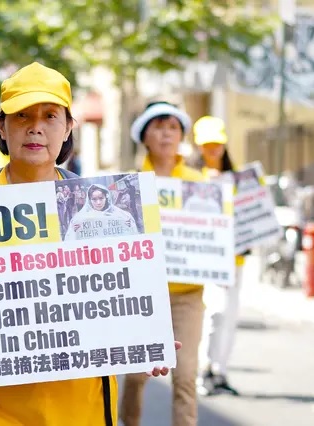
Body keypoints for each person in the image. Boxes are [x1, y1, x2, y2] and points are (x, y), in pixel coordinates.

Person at [0, 62, 181, 426]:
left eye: (50, 115)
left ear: (68, 127)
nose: (35, 127)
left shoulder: (103, 206)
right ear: (1, 126)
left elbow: (120, 297)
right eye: (21, 116)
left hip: (81, 404)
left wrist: (144, 340)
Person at [121, 101, 205, 426]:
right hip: (142, 297)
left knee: (185, 376)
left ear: (182, 134)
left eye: (173, 126)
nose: (166, 133)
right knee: (135, 376)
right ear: (144, 136)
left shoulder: (200, 183)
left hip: (188, 296)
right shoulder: (128, 184)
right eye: (158, 126)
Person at [189, 115, 246, 397]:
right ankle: (204, 370)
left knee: (230, 315)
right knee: (214, 313)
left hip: (236, 259)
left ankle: (220, 370)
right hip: (208, 260)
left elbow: (249, 215)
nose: (213, 150)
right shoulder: (191, 178)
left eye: (217, 145)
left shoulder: (238, 180)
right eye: (207, 145)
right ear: (199, 147)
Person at [64, 183, 138, 241]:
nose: (98, 202)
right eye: (94, 199)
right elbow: (70, 242)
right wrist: (74, 231)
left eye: (101, 198)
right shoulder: (80, 218)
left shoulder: (122, 216)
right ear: (89, 200)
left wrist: (128, 226)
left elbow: (133, 238)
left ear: (106, 197)